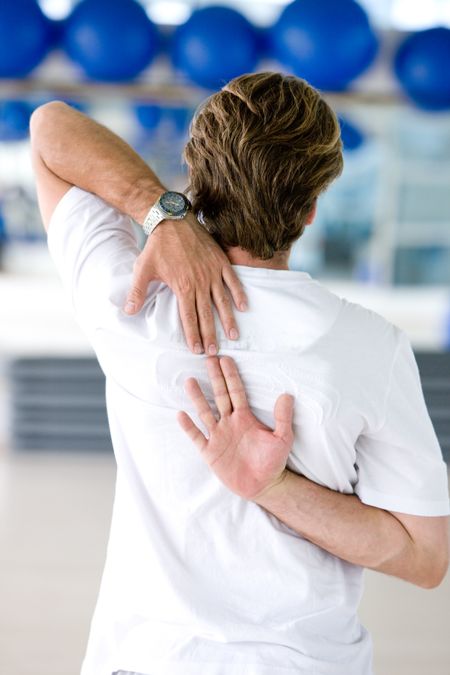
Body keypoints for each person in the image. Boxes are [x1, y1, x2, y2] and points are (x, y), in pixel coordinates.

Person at [30, 72, 449, 675]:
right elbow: (423, 558)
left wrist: (163, 213)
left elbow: (50, 127)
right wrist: (278, 491)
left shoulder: (131, 301)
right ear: (309, 210)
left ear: (196, 182)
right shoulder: (370, 348)